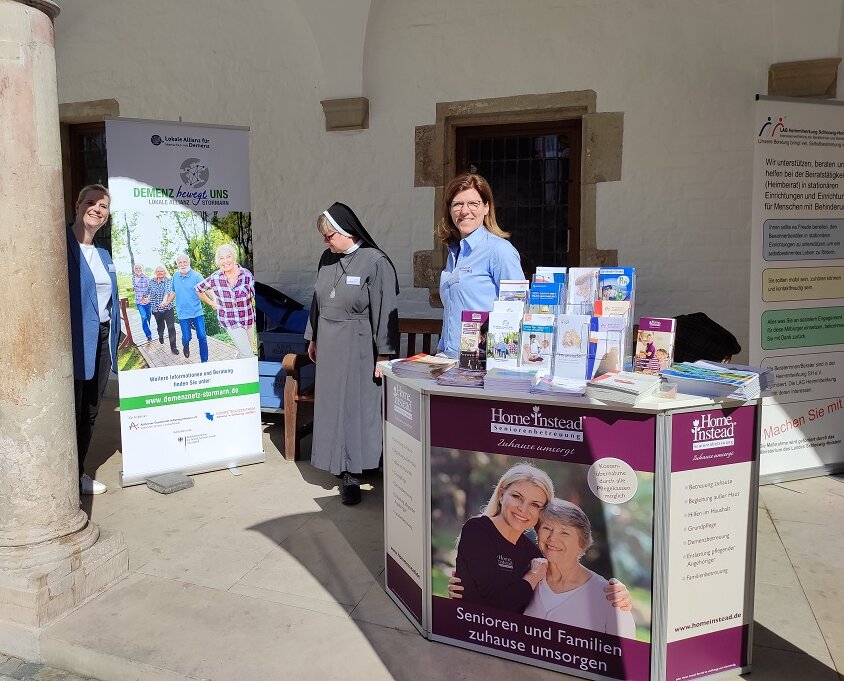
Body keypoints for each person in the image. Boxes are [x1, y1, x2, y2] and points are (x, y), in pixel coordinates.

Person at [305, 202, 399, 505]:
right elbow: (317, 301)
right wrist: (313, 338)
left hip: (358, 346)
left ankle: (353, 474)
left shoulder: (375, 261)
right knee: (332, 407)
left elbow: (385, 312)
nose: (325, 241)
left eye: (329, 235)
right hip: (329, 346)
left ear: (347, 232)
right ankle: (335, 461)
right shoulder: (326, 258)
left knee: (356, 409)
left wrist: (383, 355)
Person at [450, 463, 630, 614]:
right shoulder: (477, 530)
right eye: (517, 497)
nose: (523, 509)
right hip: (472, 636)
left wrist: (614, 592)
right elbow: (497, 605)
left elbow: (566, 575)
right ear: (502, 494)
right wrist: (532, 576)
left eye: (535, 504)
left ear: (542, 512)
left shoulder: (531, 552)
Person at [436, 173, 524, 357]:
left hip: (482, 363)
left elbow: (517, 309)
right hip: (449, 360)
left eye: (473, 204)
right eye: (458, 204)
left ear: (486, 207)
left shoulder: (500, 251)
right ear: (450, 211)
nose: (465, 211)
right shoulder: (454, 252)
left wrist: (498, 361)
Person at [67, 184, 118, 495]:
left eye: (103, 206)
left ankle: (78, 473)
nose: (97, 209)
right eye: (91, 202)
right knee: (69, 411)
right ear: (78, 205)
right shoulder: (60, 245)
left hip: (100, 338)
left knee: (90, 409)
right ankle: (62, 476)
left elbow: (108, 300)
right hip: (72, 340)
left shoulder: (102, 254)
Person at [523, 499, 637, 638]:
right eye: (547, 528)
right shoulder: (528, 574)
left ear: (581, 543)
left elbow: (627, 654)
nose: (552, 538)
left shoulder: (611, 596)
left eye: (564, 532)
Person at [196, 244, 256, 359]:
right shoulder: (215, 278)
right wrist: (212, 302)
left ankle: (234, 372)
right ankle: (249, 376)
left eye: (228, 257)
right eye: (221, 258)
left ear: (234, 258)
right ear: (218, 261)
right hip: (229, 320)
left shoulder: (246, 274)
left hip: (248, 318)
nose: (225, 261)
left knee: (245, 350)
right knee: (248, 355)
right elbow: (198, 289)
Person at [172, 253, 208, 362]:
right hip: (182, 313)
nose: (182, 264)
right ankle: (185, 345)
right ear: (177, 264)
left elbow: (207, 289)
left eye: (185, 262)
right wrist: (165, 301)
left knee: (202, 337)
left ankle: (204, 361)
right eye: (180, 262)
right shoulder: (175, 276)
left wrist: (214, 301)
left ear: (189, 262)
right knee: (187, 337)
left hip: (197, 312)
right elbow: (173, 291)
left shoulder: (197, 276)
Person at [148, 265, 179, 355]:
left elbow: (167, 291)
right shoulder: (152, 281)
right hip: (156, 308)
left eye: (161, 271)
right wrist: (145, 297)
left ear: (165, 272)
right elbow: (149, 291)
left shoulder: (168, 280)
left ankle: (173, 347)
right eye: (158, 271)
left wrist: (165, 300)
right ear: (155, 272)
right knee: (160, 326)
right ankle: (160, 335)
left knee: (171, 327)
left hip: (167, 308)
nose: (160, 273)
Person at [131, 262, 153, 343]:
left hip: (147, 301)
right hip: (139, 302)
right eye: (136, 268)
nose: (138, 269)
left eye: (139, 268)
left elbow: (151, 289)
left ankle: (148, 327)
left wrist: (148, 298)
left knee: (148, 317)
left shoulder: (147, 278)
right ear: (134, 270)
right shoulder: (133, 278)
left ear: (142, 269)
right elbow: (135, 288)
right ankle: (148, 335)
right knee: (143, 317)